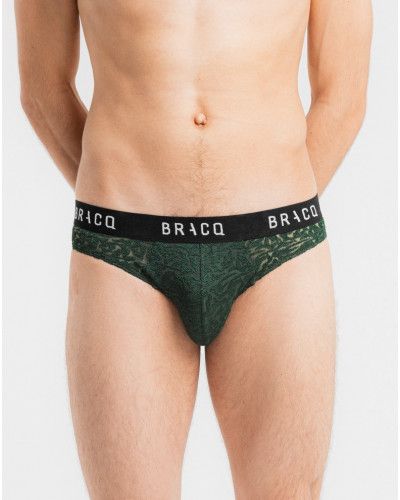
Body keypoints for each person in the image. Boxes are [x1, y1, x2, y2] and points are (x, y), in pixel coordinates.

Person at [15, 1, 372, 498]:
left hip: (277, 252)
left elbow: (344, 93)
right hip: (124, 253)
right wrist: (128, 203)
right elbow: (42, 87)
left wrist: (267, 208)